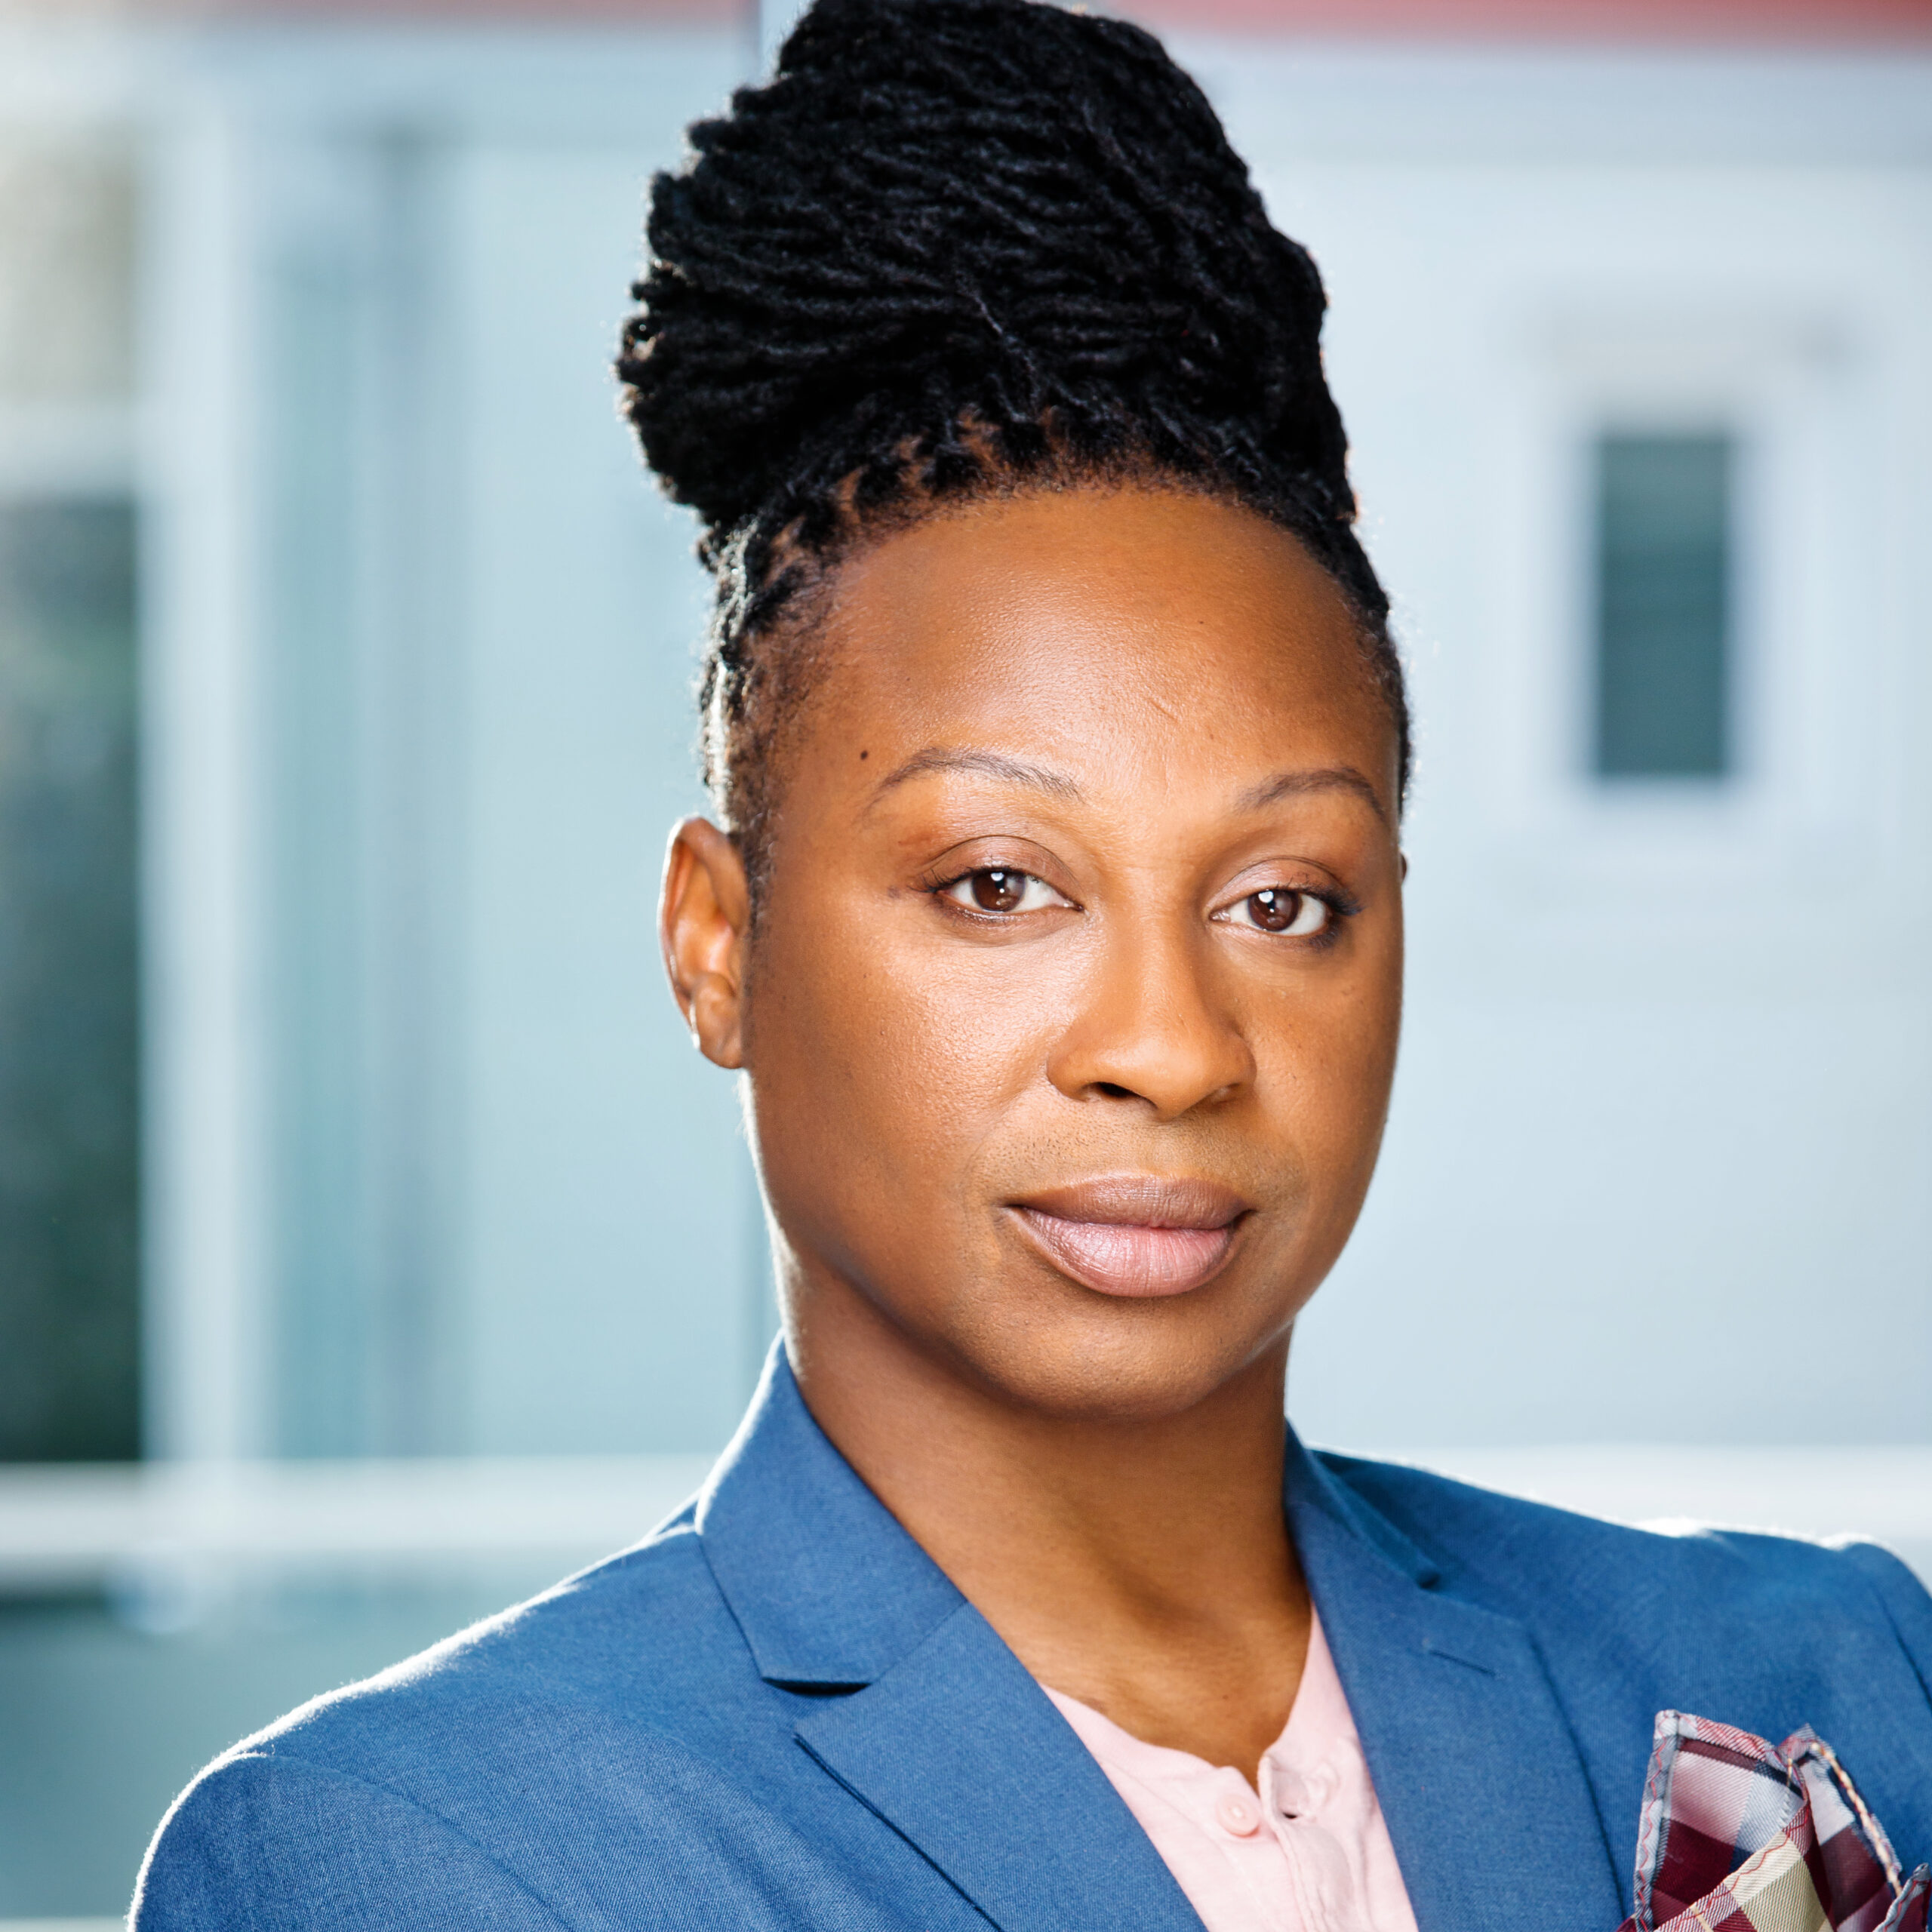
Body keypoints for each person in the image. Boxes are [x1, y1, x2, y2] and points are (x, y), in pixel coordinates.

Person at [132, 1, 1932, 1925]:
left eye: (1281, 898)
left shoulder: (1826, 1673)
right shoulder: (411, 1856)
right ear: (716, 942)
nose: (1168, 1046)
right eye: (999, 882)